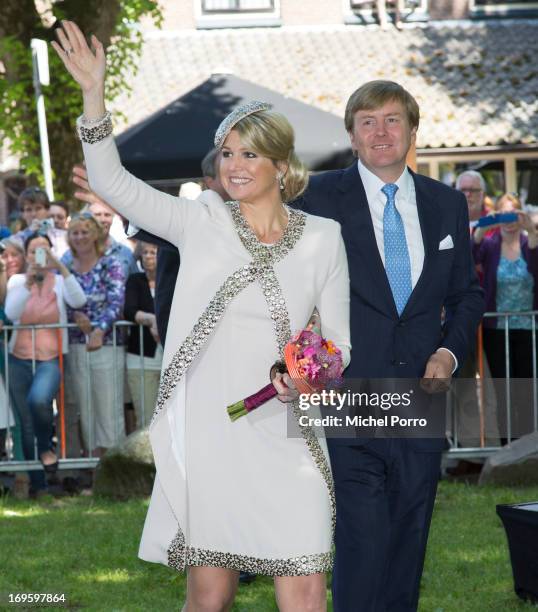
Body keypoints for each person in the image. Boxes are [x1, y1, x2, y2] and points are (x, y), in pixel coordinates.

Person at [54, 21, 350, 611]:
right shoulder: (201, 220)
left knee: (308, 585)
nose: (234, 165)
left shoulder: (325, 237)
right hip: (214, 430)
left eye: (250, 153)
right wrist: (93, 94)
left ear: (280, 162)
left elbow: (340, 344)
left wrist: (314, 373)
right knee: (210, 594)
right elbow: (112, 180)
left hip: (290, 435)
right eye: (228, 153)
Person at [298, 80, 484, 611]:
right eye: (368, 121)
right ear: (351, 135)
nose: (381, 131)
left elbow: (467, 294)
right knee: (360, 537)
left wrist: (448, 354)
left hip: (420, 399)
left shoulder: (446, 204)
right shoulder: (315, 196)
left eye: (393, 119)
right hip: (350, 396)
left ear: (412, 130)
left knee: (408, 540)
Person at [5, 232, 86, 495]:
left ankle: (45, 449)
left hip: (50, 359)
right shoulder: (17, 280)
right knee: (25, 424)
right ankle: (38, 485)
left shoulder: (61, 281)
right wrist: (28, 284)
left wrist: (59, 265)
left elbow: (79, 301)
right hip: (18, 358)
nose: (38, 257)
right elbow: (11, 313)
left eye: (44, 251)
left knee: (39, 401)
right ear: (26, 256)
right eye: (33, 252)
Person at [472, 193, 538, 441]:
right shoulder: (490, 245)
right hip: (497, 328)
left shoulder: (528, 241)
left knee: (527, 389)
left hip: (529, 327)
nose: (509, 220)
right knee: (504, 391)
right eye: (504, 214)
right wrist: (482, 229)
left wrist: (532, 232)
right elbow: (469, 258)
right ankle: (507, 446)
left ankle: (529, 447)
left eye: (514, 213)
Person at [62, 213, 127, 458]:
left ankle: (115, 467)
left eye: (85, 231)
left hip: (106, 344)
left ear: (96, 234)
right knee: (86, 410)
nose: (80, 237)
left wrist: (98, 330)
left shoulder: (111, 263)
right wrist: (79, 322)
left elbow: (116, 302)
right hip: (78, 344)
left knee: (109, 408)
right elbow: (64, 299)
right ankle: (94, 466)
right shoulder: (66, 264)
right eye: (75, 232)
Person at [124, 242, 162, 429]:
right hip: (141, 359)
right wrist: (152, 320)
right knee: (146, 420)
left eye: (153, 252)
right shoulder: (135, 280)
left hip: (168, 358)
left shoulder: (172, 279)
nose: (148, 256)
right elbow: (129, 311)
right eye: (145, 252)